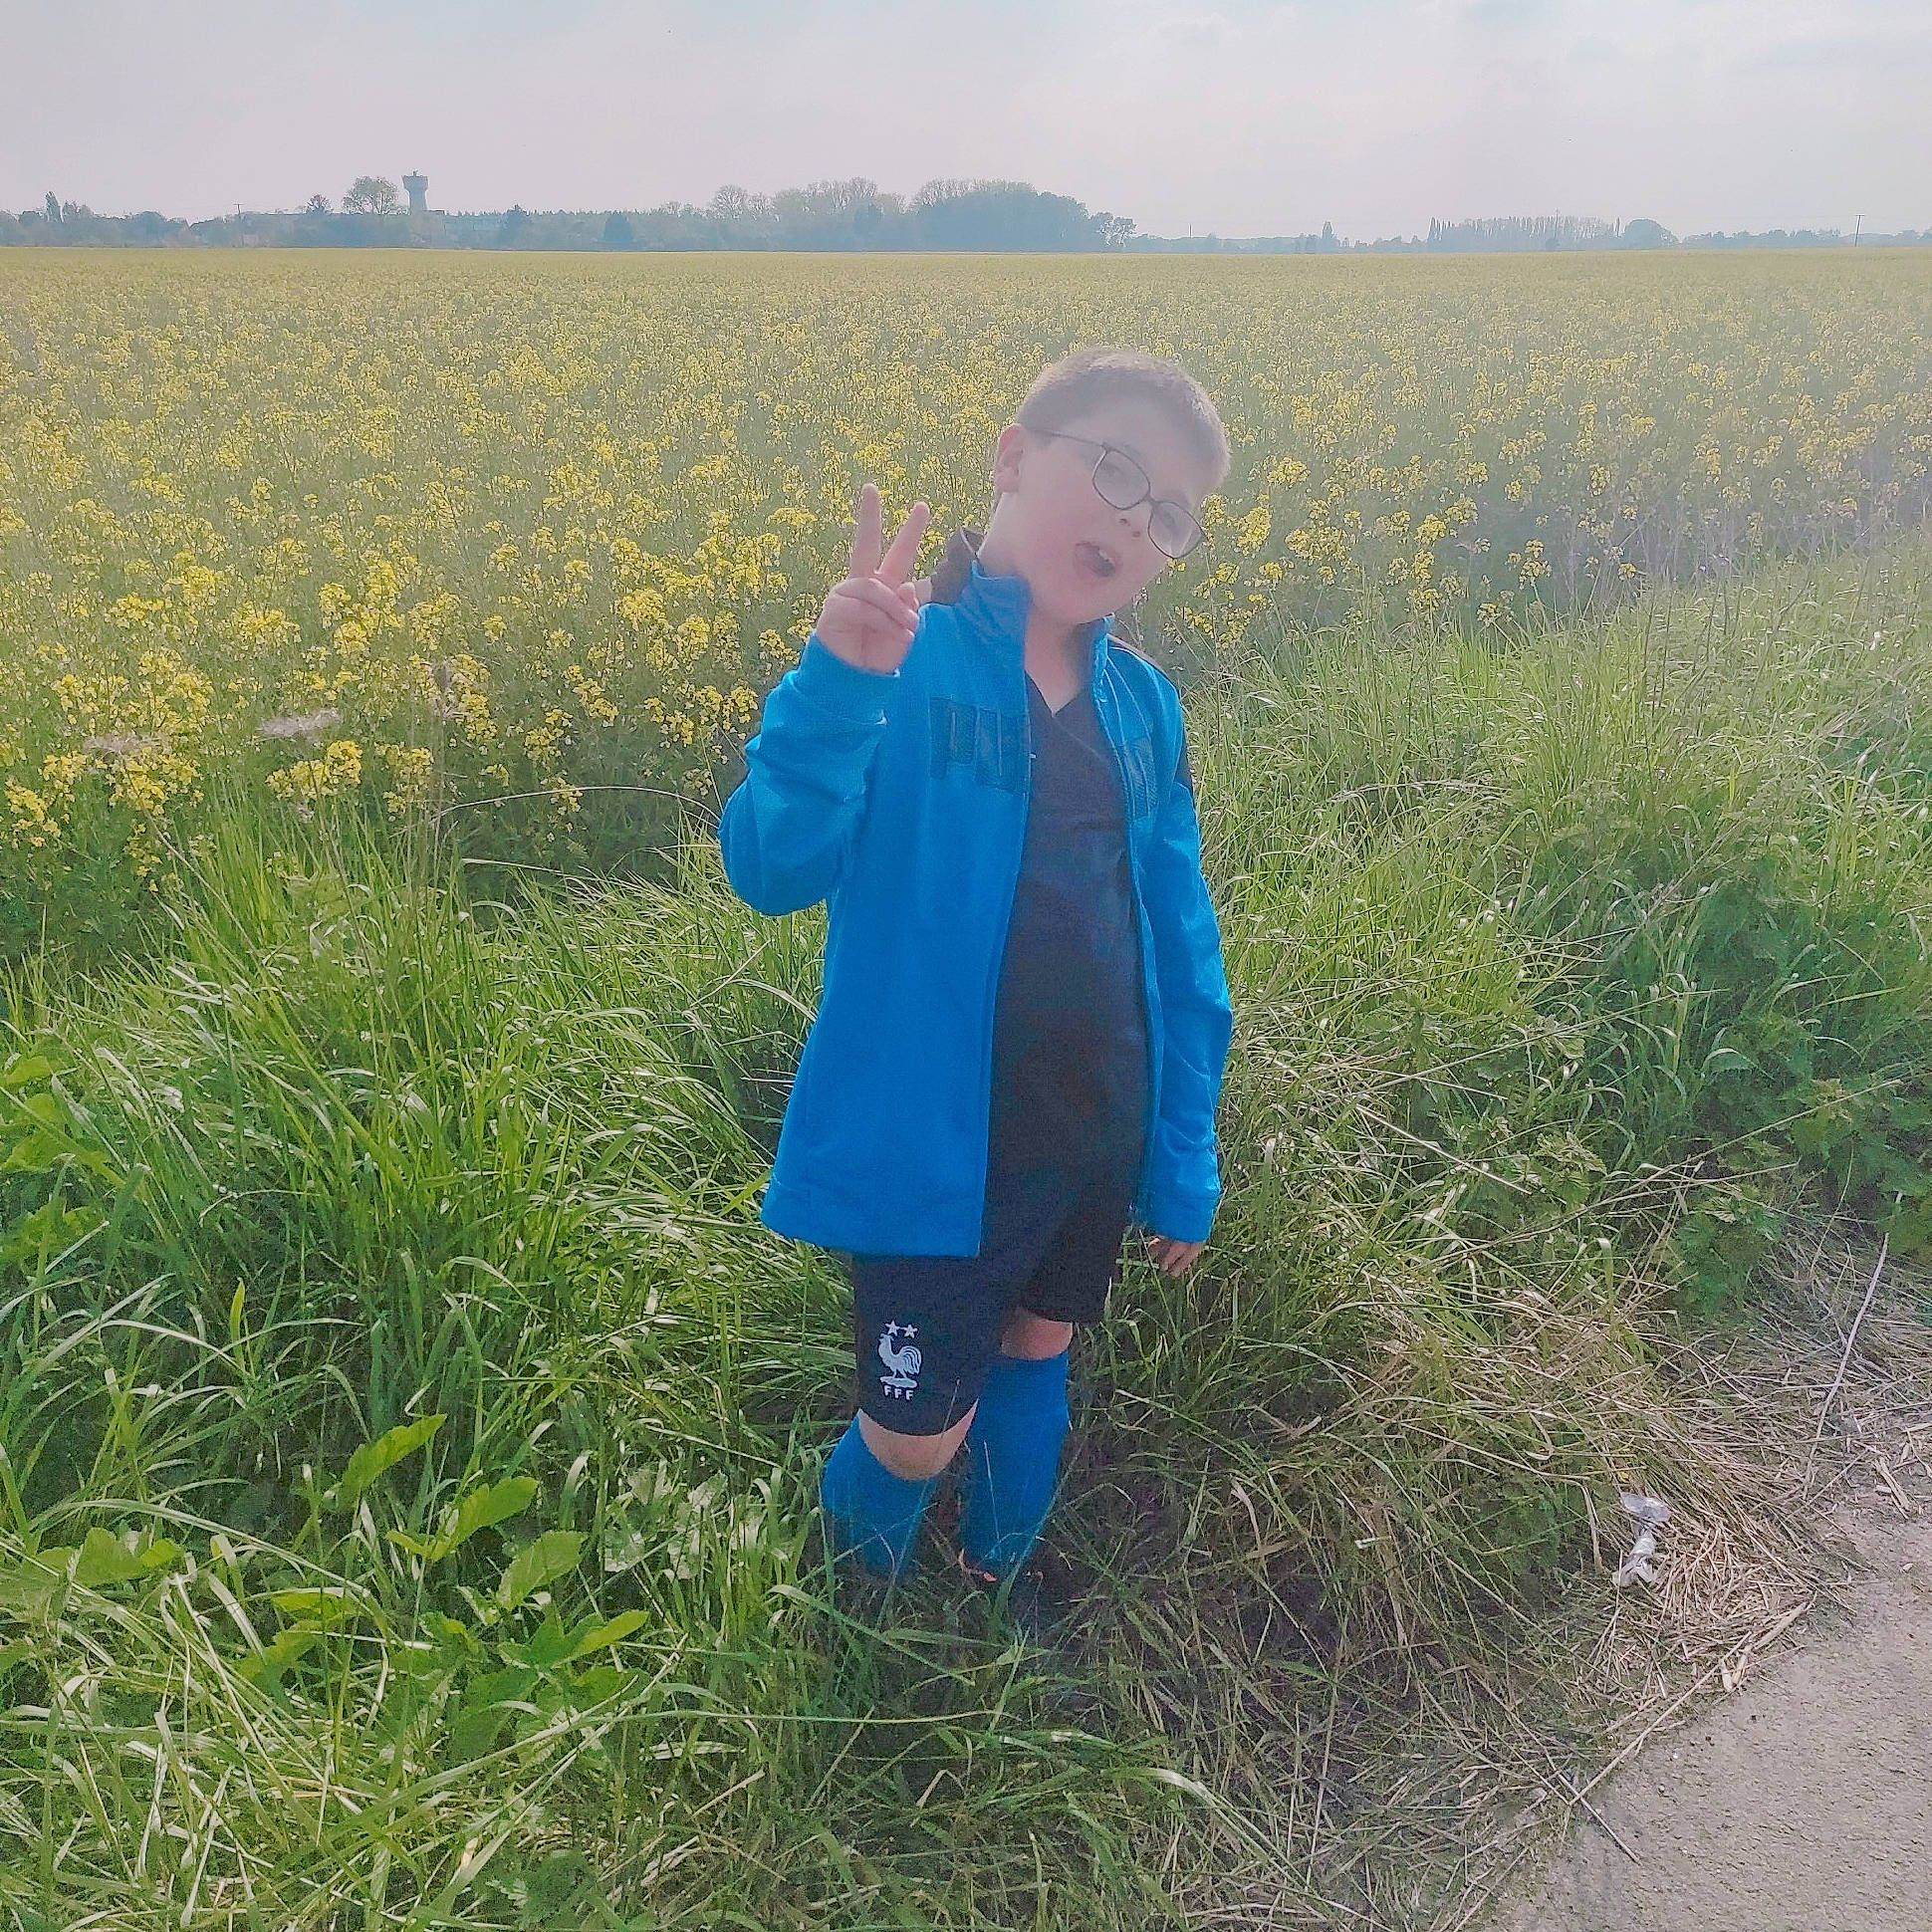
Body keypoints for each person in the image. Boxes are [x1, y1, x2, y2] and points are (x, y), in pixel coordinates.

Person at [717, 346, 1235, 1598]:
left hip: (1090, 1131)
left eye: (1165, 511)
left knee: (1035, 1354)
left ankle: (1001, 1583)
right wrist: (838, 682)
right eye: (1111, 468)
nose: (1130, 515)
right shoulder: (907, 657)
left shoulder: (1143, 704)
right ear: (1011, 454)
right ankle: (856, 1625)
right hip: (933, 1149)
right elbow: (771, 865)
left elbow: (1178, 934)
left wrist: (1181, 1150)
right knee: (913, 1430)